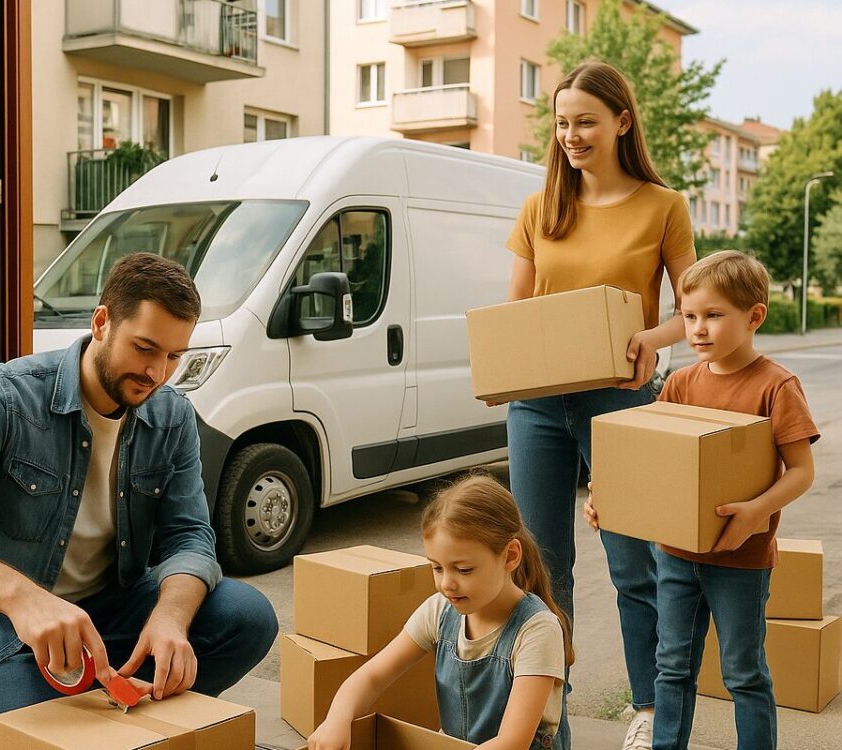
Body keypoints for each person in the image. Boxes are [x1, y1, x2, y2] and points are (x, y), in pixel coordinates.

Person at [0, 253, 278, 750]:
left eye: (175, 356)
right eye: (145, 348)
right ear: (101, 322)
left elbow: (190, 535)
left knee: (248, 616)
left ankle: (134, 723)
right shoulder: (4, 397)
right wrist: (23, 598)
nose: (158, 373)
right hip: (3, 631)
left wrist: (171, 616)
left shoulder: (173, 418)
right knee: (24, 740)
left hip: (111, 610)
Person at [500, 60, 697, 749]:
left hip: (619, 401)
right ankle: (548, 711)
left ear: (621, 120)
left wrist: (652, 337)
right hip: (535, 406)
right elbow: (515, 312)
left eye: (584, 121)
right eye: (560, 124)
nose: (571, 136)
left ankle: (647, 710)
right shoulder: (540, 208)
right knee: (539, 564)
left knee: (631, 561)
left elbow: (691, 310)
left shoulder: (662, 206)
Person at [586, 251, 819, 749]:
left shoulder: (776, 387)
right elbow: (648, 460)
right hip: (673, 556)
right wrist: (606, 498)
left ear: (754, 316)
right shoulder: (679, 384)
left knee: (743, 672)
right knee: (670, 667)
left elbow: (801, 472)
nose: (698, 329)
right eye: (689, 316)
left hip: (742, 559)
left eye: (714, 315)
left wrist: (758, 509)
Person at [307, 473, 572, 750]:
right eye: (437, 567)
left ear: (510, 556)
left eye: (464, 569)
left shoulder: (537, 630)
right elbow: (371, 677)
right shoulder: (440, 611)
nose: (447, 583)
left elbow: (512, 742)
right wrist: (337, 720)